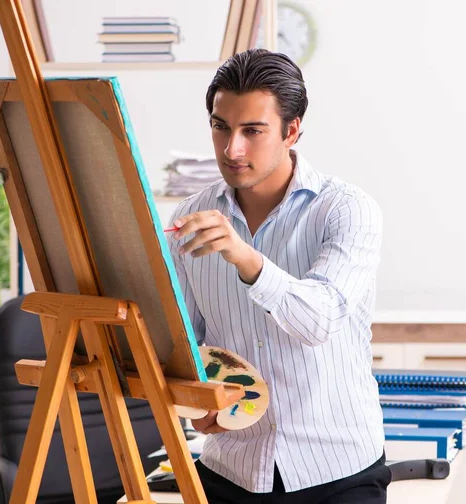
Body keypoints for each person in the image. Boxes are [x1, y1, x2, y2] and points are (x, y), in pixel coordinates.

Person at [167, 48, 390, 503]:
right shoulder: (189, 217)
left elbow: (319, 320)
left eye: (252, 131)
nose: (232, 149)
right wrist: (194, 401)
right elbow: (187, 344)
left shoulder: (347, 210)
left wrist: (245, 258)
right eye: (220, 127)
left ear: (291, 130)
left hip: (338, 472)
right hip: (231, 470)